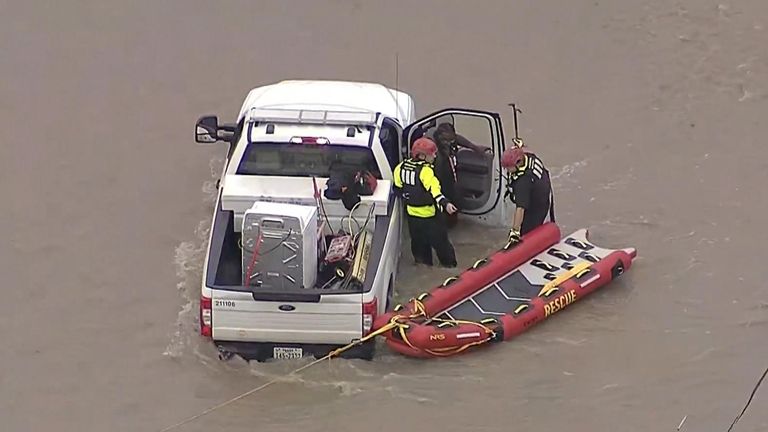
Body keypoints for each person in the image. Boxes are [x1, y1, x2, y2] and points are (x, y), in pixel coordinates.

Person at [393, 137, 458, 267]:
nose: (435, 156)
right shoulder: (426, 171)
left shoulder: (400, 168)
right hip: (431, 218)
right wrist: (446, 204)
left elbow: (398, 189)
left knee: (419, 250)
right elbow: (435, 190)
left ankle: (424, 266)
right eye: (432, 154)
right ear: (422, 156)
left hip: (413, 219)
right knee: (443, 248)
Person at [432, 122, 492, 228]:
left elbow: (458, 139)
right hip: (441, 179)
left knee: (456, 200)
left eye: (451, 140)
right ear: (440, 137)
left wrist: (474, 147)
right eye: (447, 140)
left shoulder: (449, 140)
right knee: (450, 203)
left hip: (451, 175)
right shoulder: (436, 152)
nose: (449, 143)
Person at [500, 141, 555, 244]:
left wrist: (515, 232)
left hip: (537, 206)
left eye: (508, 167)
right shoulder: (529, 157)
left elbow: (520, 209)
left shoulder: (523, 182)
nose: (506, 170)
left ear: (518, 163)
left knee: (527, 233)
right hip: (544, 190)